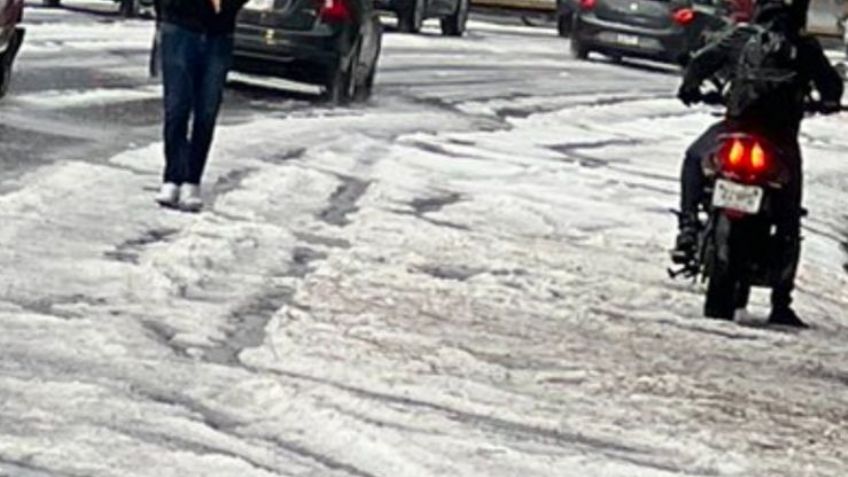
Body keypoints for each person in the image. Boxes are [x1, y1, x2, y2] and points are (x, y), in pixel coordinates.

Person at [672, 0, 843, 326]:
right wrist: (828, 101)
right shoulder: (805, 47)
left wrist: (690, 87)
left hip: (733, 132)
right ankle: (781, 301)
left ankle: (688, 228)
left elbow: (700, 63)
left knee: (695, 159)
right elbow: (832, 87)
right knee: (789, 213)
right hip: (779, 142)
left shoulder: (740, 36)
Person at [153, 0, 248, 211]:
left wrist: (227, 6)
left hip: (219, 33)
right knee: (177, 107)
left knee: (206, 111)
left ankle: (192, 180)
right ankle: (172, 177)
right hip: (179, 26)